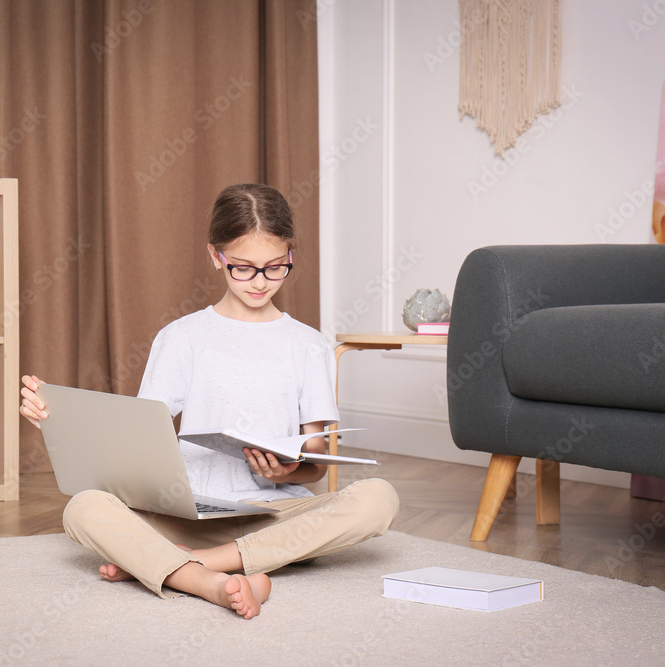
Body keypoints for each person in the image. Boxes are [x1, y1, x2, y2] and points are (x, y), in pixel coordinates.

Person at [20, 183, 398, 619]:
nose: (260, 282)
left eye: (275, 267)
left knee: (378, 498)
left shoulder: (309, 345)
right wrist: (58, 422)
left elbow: (314, 466)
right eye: (243, 268)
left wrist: (287, 471)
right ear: (215, 256)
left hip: (274, 516)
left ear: (290, 254)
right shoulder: (181, 338)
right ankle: (213, 580)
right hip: (188, 511)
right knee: (84, 508)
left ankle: (184, 564)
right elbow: (140, 442)